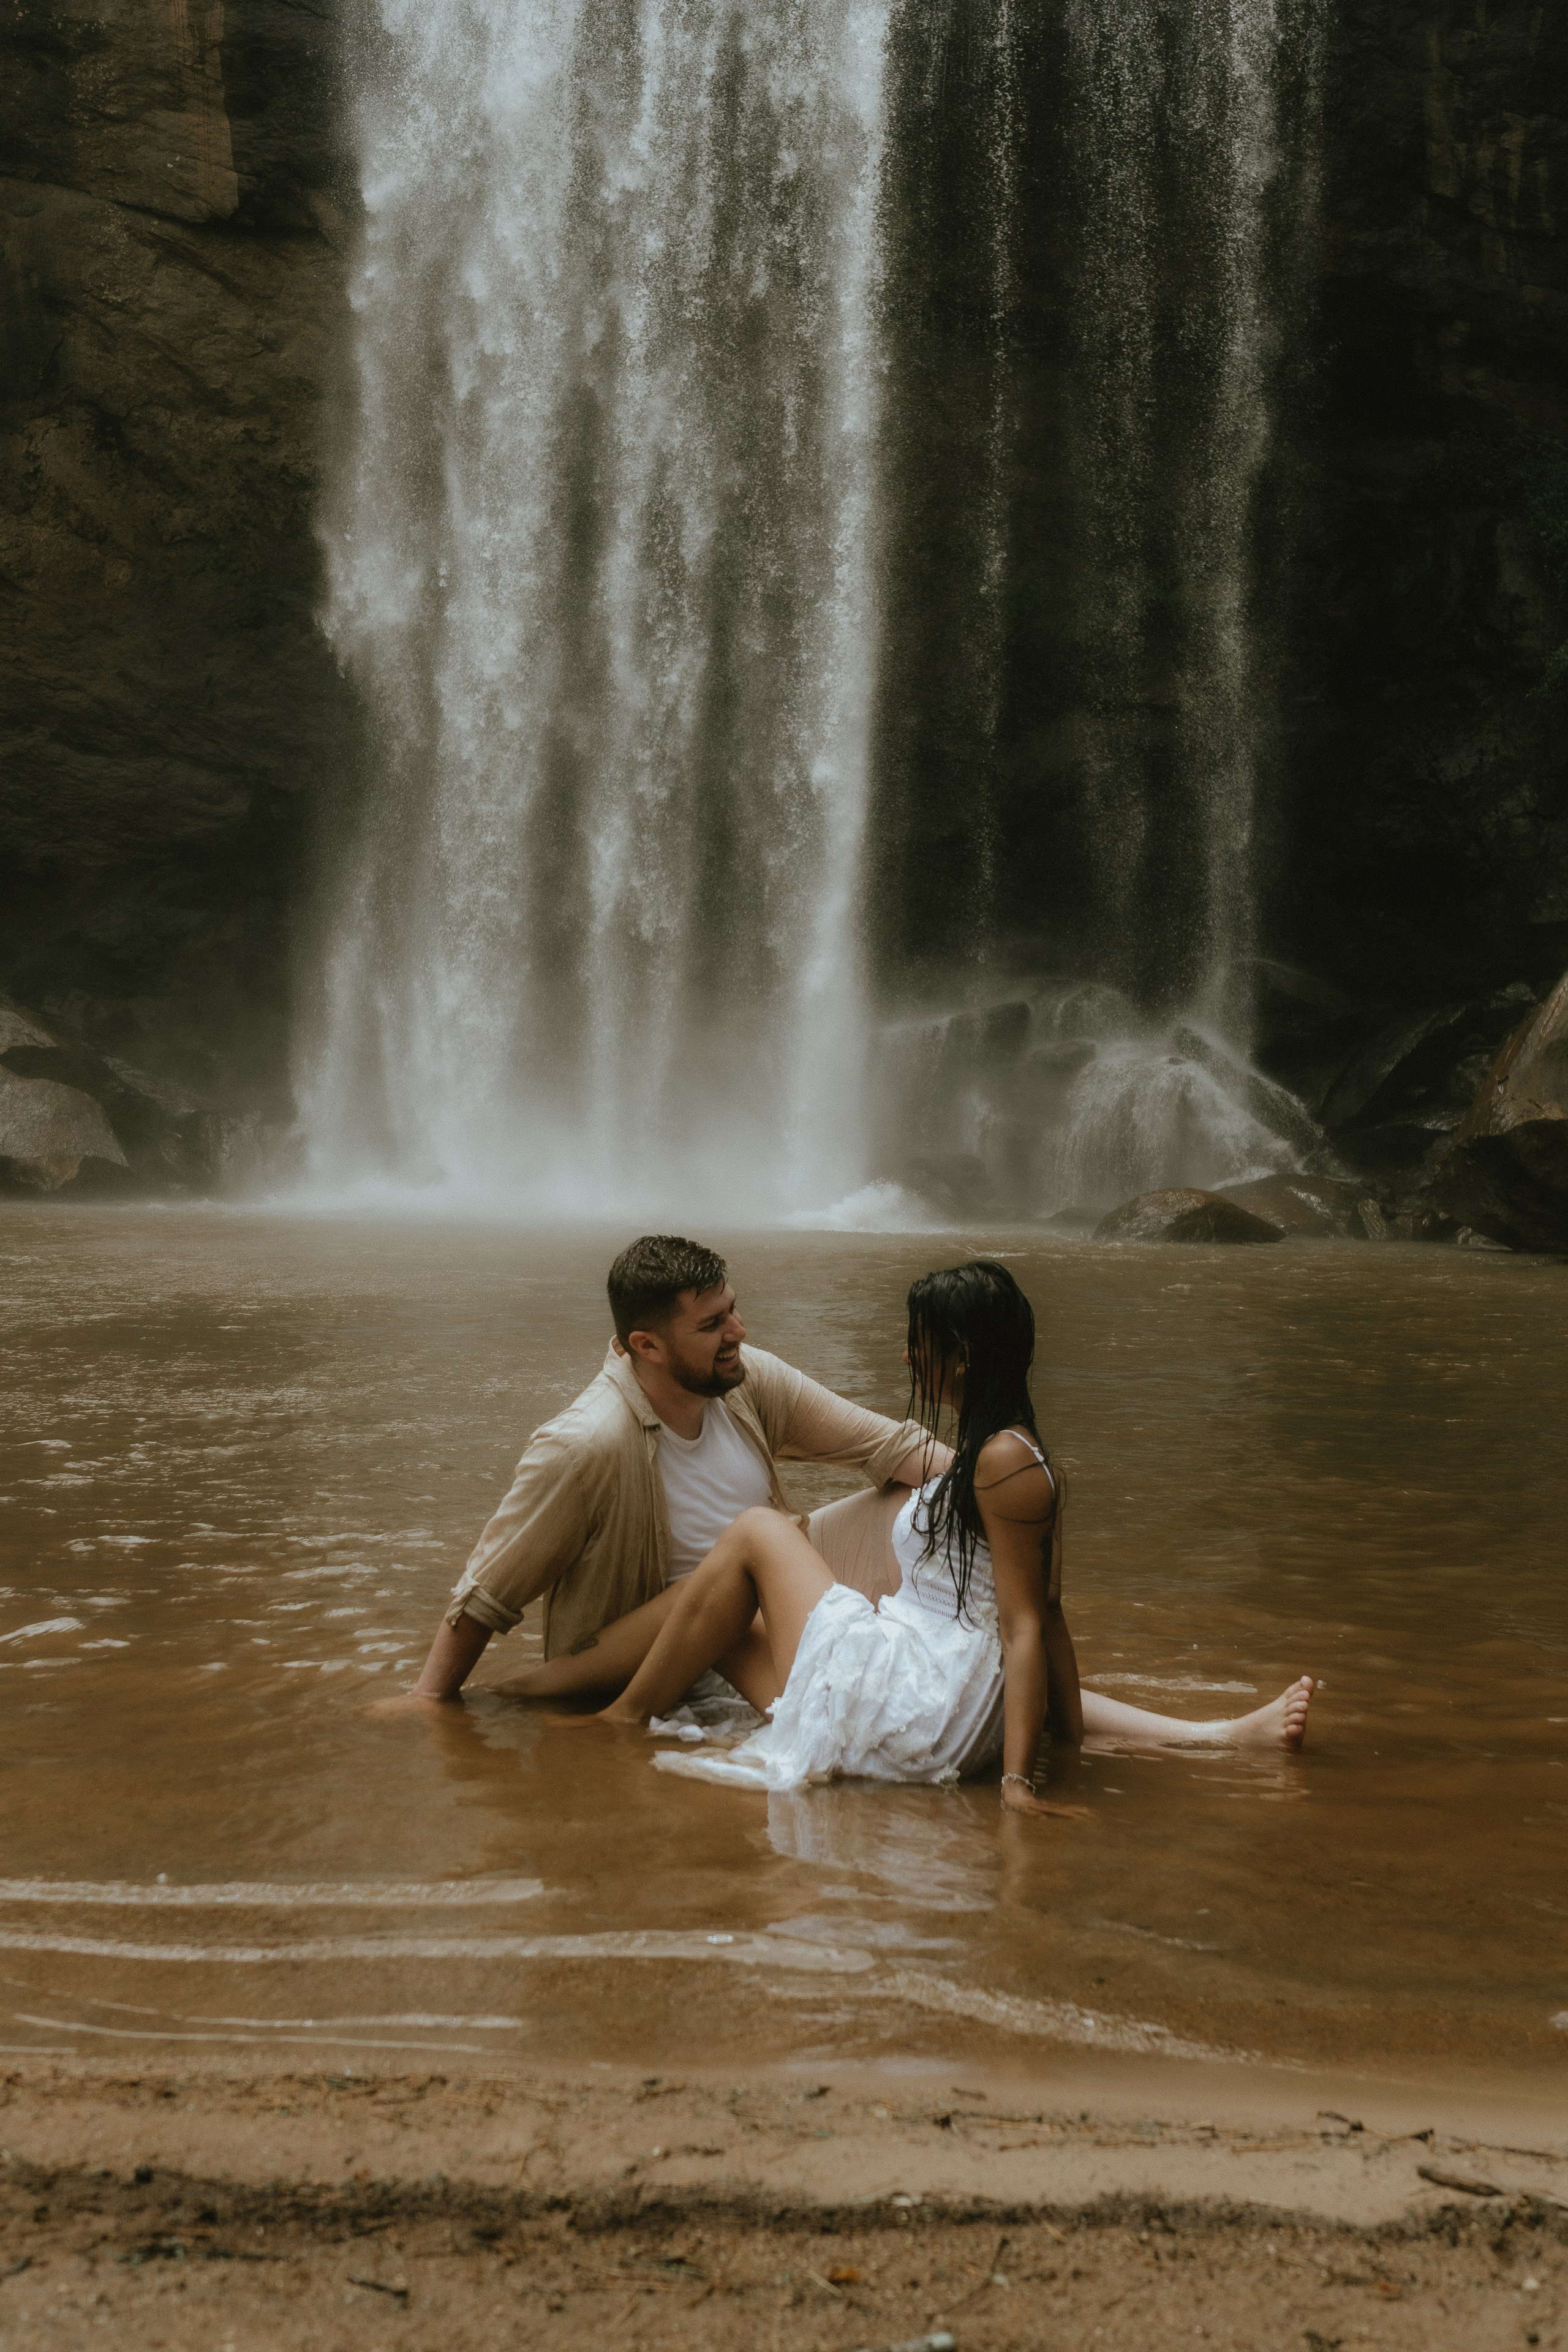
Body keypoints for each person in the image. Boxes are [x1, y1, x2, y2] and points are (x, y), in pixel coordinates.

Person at [557, 1261, 1316, 1815]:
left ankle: (618, 1723)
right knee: (725, 1616)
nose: (905, 1357)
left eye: (918, 1342)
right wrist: (1067, 1750)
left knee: (756, 1533)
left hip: (924, 1707)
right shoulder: (1014, 1453)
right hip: (933, 1683)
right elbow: (1045, 1618)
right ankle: (1213, 1738)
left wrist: (1022, 1782)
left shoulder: (1004, 1464)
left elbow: (1026, 1625)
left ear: (959, 1354)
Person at [400, 1234, 948, 1708]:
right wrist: (430, 1701)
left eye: (732, 1308)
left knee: (933, 1499)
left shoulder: (745, 1377)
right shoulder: (584, 1445)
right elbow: (486, 1593)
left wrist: (1007, 1484)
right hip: (664, 1646)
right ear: (647, 1345)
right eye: (712, 1324)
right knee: (757, 1558)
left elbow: (892, 1446)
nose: (739, 1330)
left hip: (761, 1592)